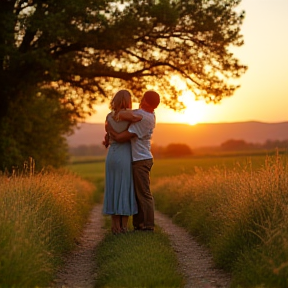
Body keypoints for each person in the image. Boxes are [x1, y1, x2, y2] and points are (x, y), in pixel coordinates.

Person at [107, 90, 160, 231]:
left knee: (144, 194)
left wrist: (110, 129)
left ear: (148, 104)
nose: (140, 102)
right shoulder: (145, 113)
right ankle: (139, 225)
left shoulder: (143, 117)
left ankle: (147, 226)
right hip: (141, 158)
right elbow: (123, 114)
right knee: (138, 194)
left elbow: (121, 137)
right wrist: (123, 114)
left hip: (141, 159)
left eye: (143, 101)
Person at [102, 89, 142, 234]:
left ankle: (115, 227)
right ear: (127, 101)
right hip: (125, 153)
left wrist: (111, 133)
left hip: (112, 154)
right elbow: (139, 119)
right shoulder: (130, 116)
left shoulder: (109, 116)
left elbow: (107, 137)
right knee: (124, 187)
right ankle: (124, 227)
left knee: (113, 187)